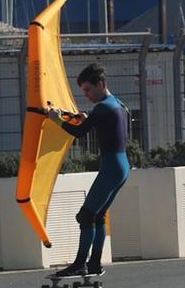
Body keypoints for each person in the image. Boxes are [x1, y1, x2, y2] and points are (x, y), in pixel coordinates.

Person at [45, 62, 130, 277]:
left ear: (100, 84)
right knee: (99, 215)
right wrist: (89, 120)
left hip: (111, 167)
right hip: (122, 166)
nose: (87, 95)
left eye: (88, 90)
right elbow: (109, 129)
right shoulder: (117, 104)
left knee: (85, 216)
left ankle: (80, 263)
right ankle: (94, 263)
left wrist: (56, 120)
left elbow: (80, 132)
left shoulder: (102, 107)